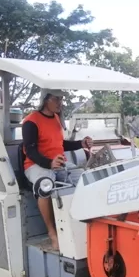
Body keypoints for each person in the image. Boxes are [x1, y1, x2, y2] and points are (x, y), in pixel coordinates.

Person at [22, 88, 93, 250]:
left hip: (59, 163)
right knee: (44, 185)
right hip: (36, 165)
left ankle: (80, 225)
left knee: (83, 179)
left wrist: (80, 144)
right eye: (56, 99)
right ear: (46, 100)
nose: (60, 103)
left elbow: (61, 144)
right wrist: (49, 164)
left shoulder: (56, 118)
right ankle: (52, 234)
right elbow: (30, 151)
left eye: (61, 99)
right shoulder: (31, 121)